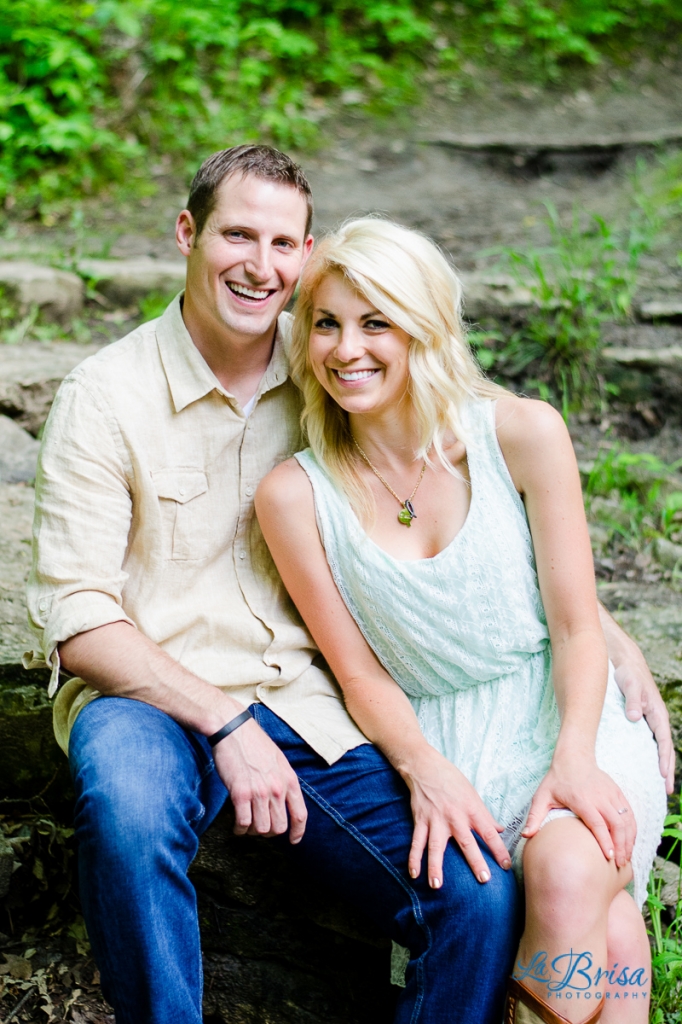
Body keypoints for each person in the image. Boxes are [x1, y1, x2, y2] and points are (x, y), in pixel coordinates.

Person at [25, 146, 672, 1024]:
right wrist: (224, 721)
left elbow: (475, 490)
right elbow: (78, 620)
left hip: (307, 706)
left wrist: (598, 626)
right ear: (187, 233)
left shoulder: (332, 361)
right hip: (152, 698)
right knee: (129, 811)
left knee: (475, 893)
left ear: (305, 254)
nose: (259, 266)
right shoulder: (105, 396)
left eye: (281, 244)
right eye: (236, 236)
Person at [255, 217, 670, 1024]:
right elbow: (359, 674)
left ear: (424, 327)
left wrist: (576, 757)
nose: (347, 349)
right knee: (612, 932)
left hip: (567, 714)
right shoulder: (295, 496)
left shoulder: (520, 434)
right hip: (447, 744)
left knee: (567, 872)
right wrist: (422, 769)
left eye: (377, 322)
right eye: (326, 324)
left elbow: (577, 627)